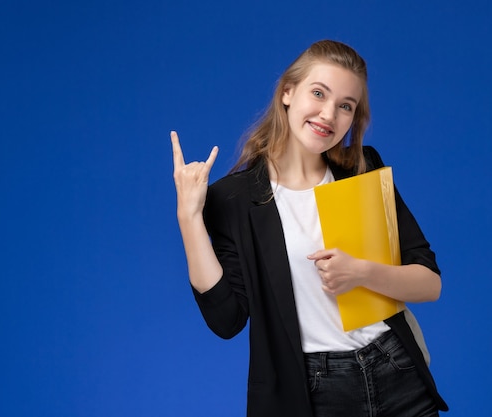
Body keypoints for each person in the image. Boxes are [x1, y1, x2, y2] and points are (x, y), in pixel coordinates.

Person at [171, 40, 448, 417]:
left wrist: (361, 273)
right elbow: (227, 320)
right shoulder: (234, 199)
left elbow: (429, 283)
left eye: (345, 106)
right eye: (318, 93)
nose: (328, 115)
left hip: (397, 371)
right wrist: (189, 219)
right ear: (287, 92)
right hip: (314, 389)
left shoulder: (361, 169)